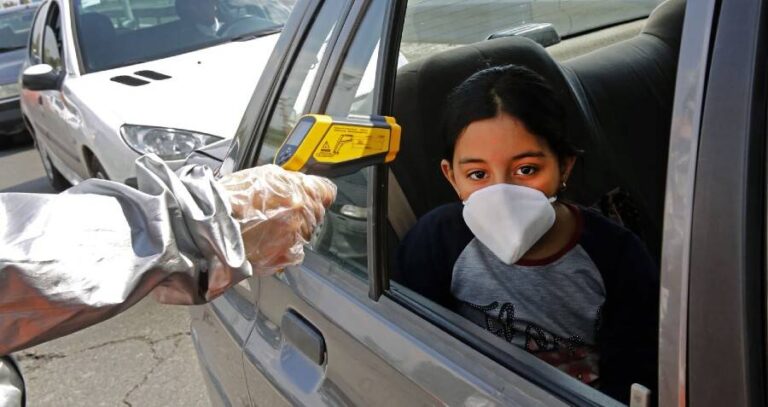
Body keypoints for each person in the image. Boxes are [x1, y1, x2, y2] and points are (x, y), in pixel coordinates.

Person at [395, 64, 659, 403]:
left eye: (527, 170)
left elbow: (633, 380)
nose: (502, 194)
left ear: (564, 166)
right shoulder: (435, 242)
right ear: (451, 177)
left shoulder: (616, 256)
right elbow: (412, 346)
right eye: (478, 174)